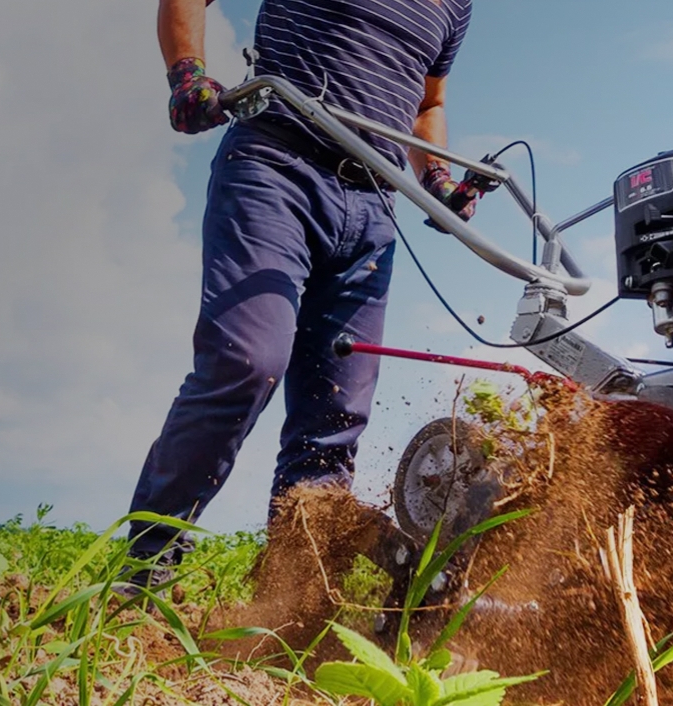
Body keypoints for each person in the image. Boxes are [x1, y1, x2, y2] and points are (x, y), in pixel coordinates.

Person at [121, 0, 478, 591]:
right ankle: (143, 571)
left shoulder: (457, 5)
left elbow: (428, 103)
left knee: (335, 413)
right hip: (277, 165)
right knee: (245, 361)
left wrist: (437, 178)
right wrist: (188, 74)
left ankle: (290, 604)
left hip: (373, 206)